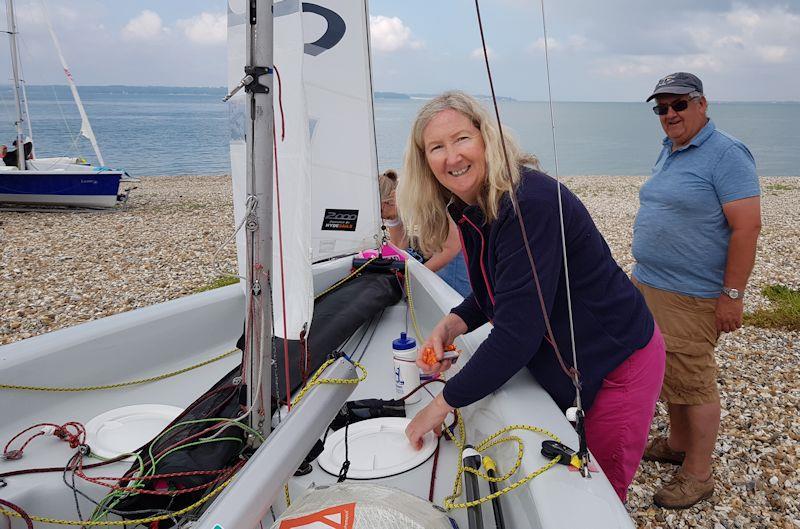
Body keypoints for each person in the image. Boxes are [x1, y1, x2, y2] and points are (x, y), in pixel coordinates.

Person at [399, 91, 665, 502]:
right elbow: (496, 292)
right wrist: (452, 323)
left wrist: (441, 406)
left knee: (599, 494)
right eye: (437, 147)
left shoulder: (530, 203)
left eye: (461, 140)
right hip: (567, 364)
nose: (452, 157)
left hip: (616, 363)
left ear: (487, 139)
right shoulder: (472, 207)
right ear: (425, 162)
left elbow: (516, 334)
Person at [632, 72, 761, 509]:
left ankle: (698, 473)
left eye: (678, 105)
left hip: (691, 294)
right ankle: (678, 442)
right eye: (661, 108)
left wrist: (732, 295)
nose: (669, 115)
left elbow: (747, 228)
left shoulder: (727, 154)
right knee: (668, 371)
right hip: (651, 284)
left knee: (695, 379)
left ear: (701, 104)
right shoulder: (671, 149)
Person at [379, 168, 471, 297]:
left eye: (381, 210)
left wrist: (414, 276)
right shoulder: (395, 207)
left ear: (393, 198)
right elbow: (399, 246)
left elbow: (452, 247)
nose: (381, 217)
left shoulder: (428, 196)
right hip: (441, 252)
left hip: (459, 260)